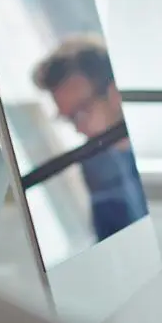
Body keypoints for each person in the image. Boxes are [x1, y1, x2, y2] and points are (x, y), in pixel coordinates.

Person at [31, 35, 149, 240]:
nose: (78, 129)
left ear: (114, 94)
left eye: (81, 113)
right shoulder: (94, 162)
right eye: (69, 119)